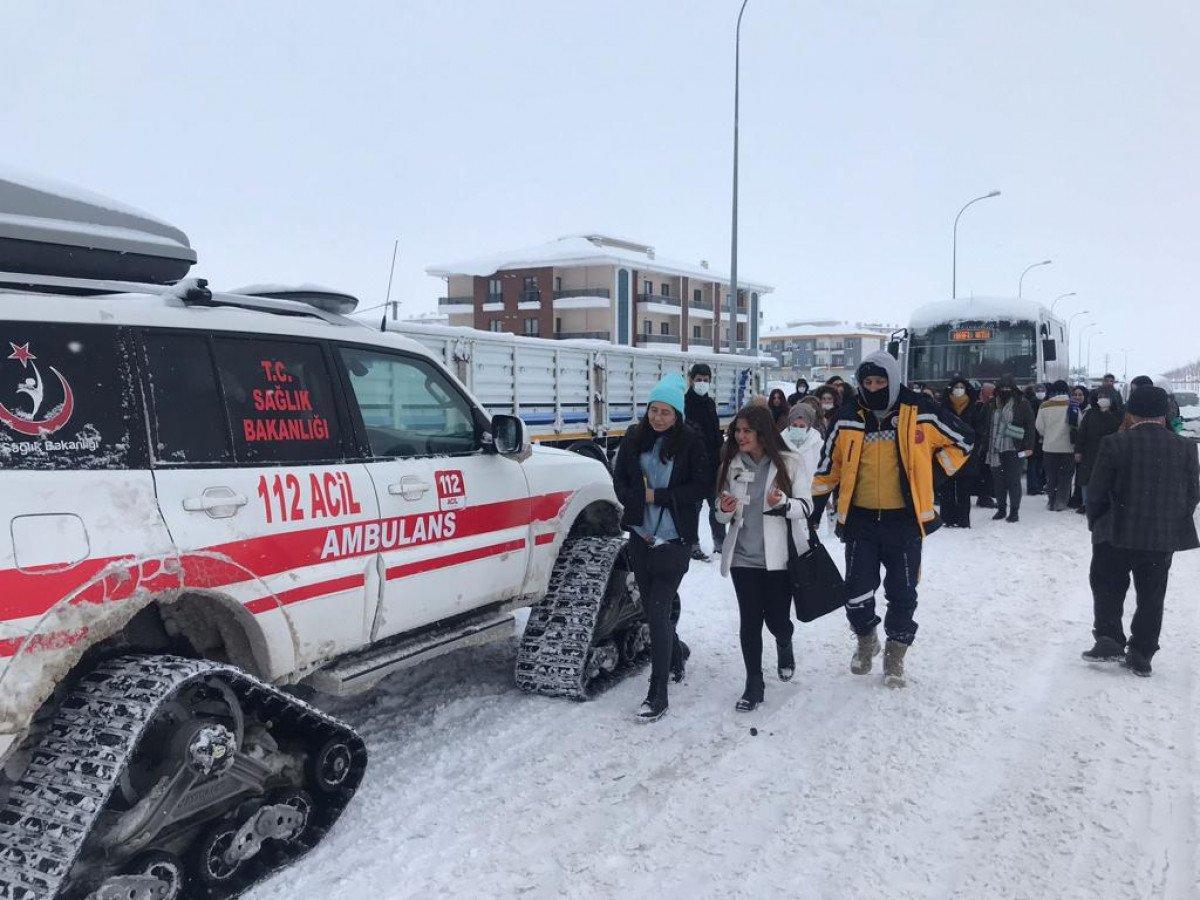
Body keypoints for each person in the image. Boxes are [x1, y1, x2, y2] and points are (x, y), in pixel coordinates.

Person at [811, 351, 974, 687]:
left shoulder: (921, 411)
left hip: (904, 522)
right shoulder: (848, 417)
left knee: (902, 592)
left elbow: (965, 440)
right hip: (861, 521)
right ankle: (867, 637)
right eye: (868, 382)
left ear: (893, 379)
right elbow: (830, 467)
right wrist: (812, 507)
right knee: (855, 591)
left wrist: (934, 472)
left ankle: (896, 653)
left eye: (880, 381)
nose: (873, 387)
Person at [1081, 386, 1200, 676]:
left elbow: (1096, 491)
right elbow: (1193, 492)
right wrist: (1174, 518)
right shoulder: (1185, 447)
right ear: (1164, 414)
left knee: (1108, 584)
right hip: (1159, 536)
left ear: (1131, 413)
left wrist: (1097, 521)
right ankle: (1142, 652)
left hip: (1115, 532)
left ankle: (1109, 639)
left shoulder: (1114, 443)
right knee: (1152, 593)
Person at [611, 373, 709, 723]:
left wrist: (659, 496)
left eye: (666, 412)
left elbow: (699, 487)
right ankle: (676, 654)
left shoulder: (691, 443)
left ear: (678, 415)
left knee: (656, 609)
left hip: (674, 537)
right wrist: (634, 498)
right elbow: (620, 478)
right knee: (653, 606)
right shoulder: (635, 437)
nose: (658, 417)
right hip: (640, 534)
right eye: (654, 410)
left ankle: (658, 693)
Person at [715, 404, 812, 710]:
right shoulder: (730, 464)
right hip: (743, 557)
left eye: (747, 431)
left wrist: (784, 503)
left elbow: (806, 508)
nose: (740, 436)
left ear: (762, 432)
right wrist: (725, 509)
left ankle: (784, 642)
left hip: (777, 560)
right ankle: (753, 684)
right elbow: (719, 513)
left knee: (777, 620)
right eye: (737, 431)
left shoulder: (790, 462)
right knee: (750, 621)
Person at [684, 363, 726, 561]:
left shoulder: (710, 403)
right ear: (691, 380)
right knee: (694, 507)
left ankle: (721, 542)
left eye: (706, 380)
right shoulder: (684, 403)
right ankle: (692, 543)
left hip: (712, 464)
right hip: (693, 465)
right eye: (698, 379)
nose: (702, 383)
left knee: (716, 505)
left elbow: (714, 432)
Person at [984, 375, 1036, 522]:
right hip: (994, 448)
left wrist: (1029, 446)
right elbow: (986, 424)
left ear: (1014, 389)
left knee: (1014, 481)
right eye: (1002, 388)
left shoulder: (1022, 403)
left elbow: (1030, 426)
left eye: (1008, 388)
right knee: (998, 482)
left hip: (1015, 448)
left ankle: (1014, 511)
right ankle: (1001, 509)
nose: (1005, 390)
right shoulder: (992, 403)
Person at [939, 376, 988, 527]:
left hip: (967, 454)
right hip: (946, 453)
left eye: (961, 387)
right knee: (946, 488)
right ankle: (947, 518)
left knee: (963, 489)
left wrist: (972, 444)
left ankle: (963, 520)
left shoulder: (974, 407)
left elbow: (979, 430)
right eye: (956, 387)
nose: (958, 390)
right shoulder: (943, 407)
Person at [1073, 387, 1122, 516]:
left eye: (1105, 396)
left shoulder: (1118, 414)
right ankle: (1086, 503)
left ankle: (1106, 504)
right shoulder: (1090, 414)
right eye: (1100, 396)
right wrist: (1078, 450)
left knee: (1108, 479)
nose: (1102, 399)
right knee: (1086, 479)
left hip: (1111, 452)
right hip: (1090, 451)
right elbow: (1081, 433)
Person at [1036, 380, 1075, 510]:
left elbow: (1039, 427)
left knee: (1051, 476)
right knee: (1065, 476)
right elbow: (1078, 424)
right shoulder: (1073, 404)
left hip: (1049, 447)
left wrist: (1048, 434)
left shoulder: (1044, 406)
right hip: (1068, 447)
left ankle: (1051, 501)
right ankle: (1061, 501)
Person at [782, 401, 824, 478]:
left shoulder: (818, 444)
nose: (797, 429)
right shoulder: (780, 442)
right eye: (794, 425)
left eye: (802, 426)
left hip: (810, 488)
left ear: (809, 426)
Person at [1067, 385, 1091, 508]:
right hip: (1071, 444)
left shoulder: (1090, 409)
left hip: (1085, 446)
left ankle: (1081, 498)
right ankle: (1074, 497)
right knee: (1072, 472)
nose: (1077, 397)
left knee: (1082, 473)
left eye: (1080, 394)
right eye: (1075, 394)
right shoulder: (1070, 408)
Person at [1024, 383, 1046, 495]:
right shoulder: (1037, 403)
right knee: (1035, 464)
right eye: (1039, 390)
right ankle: (1034, 486)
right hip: (1036, 438)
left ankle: (1034, 486)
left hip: (1032, 438)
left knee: (1033, 463)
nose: (1041, 392)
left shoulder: (1029, 402)